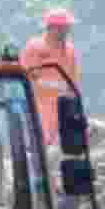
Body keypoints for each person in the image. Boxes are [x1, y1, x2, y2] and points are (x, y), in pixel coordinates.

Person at [19, 8, 81, 149]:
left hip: (63, 110)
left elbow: (74, 84)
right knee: (39, 146)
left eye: (67, 27)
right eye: (64, 27)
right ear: (52, 28)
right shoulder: (34, 47)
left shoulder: (71, 50)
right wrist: (56, 86)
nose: (67, 31)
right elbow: (27, 79)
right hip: (38, 108)